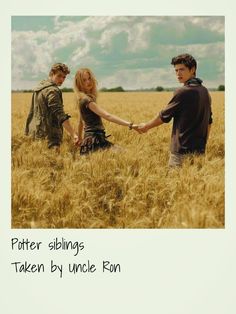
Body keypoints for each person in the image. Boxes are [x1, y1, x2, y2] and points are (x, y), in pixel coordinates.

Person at [137, 53, 213, 167]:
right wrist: (203, 143)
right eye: (176, 70)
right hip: (199, 152)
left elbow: (164, 116)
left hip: (181, 152)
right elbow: (209, 122)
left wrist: (146, 127)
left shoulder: (183, 91)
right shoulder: (205, 91)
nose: (178, 74)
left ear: (193, 69)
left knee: (174, 181)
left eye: (182, 69)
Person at [73, 68, 137, 155]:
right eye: (84, 80)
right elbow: (108, 116)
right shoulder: (87, 100)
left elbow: (80, 121)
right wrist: (130, 125)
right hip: (95, 140)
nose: (88, 82)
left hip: (90, 140)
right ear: (79, 84)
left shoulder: (81, 99)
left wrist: (80, 138)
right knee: (125, 154)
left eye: (89, 78)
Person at [25, 63, 78, 151]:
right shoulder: (52, 91)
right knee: (54, 162)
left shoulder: (40, 87)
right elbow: (59, 114)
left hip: (36, 132)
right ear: (51, 74)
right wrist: (73, 134)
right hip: (50, 135)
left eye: (64, 77)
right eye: (59, 76)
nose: (62, 79)